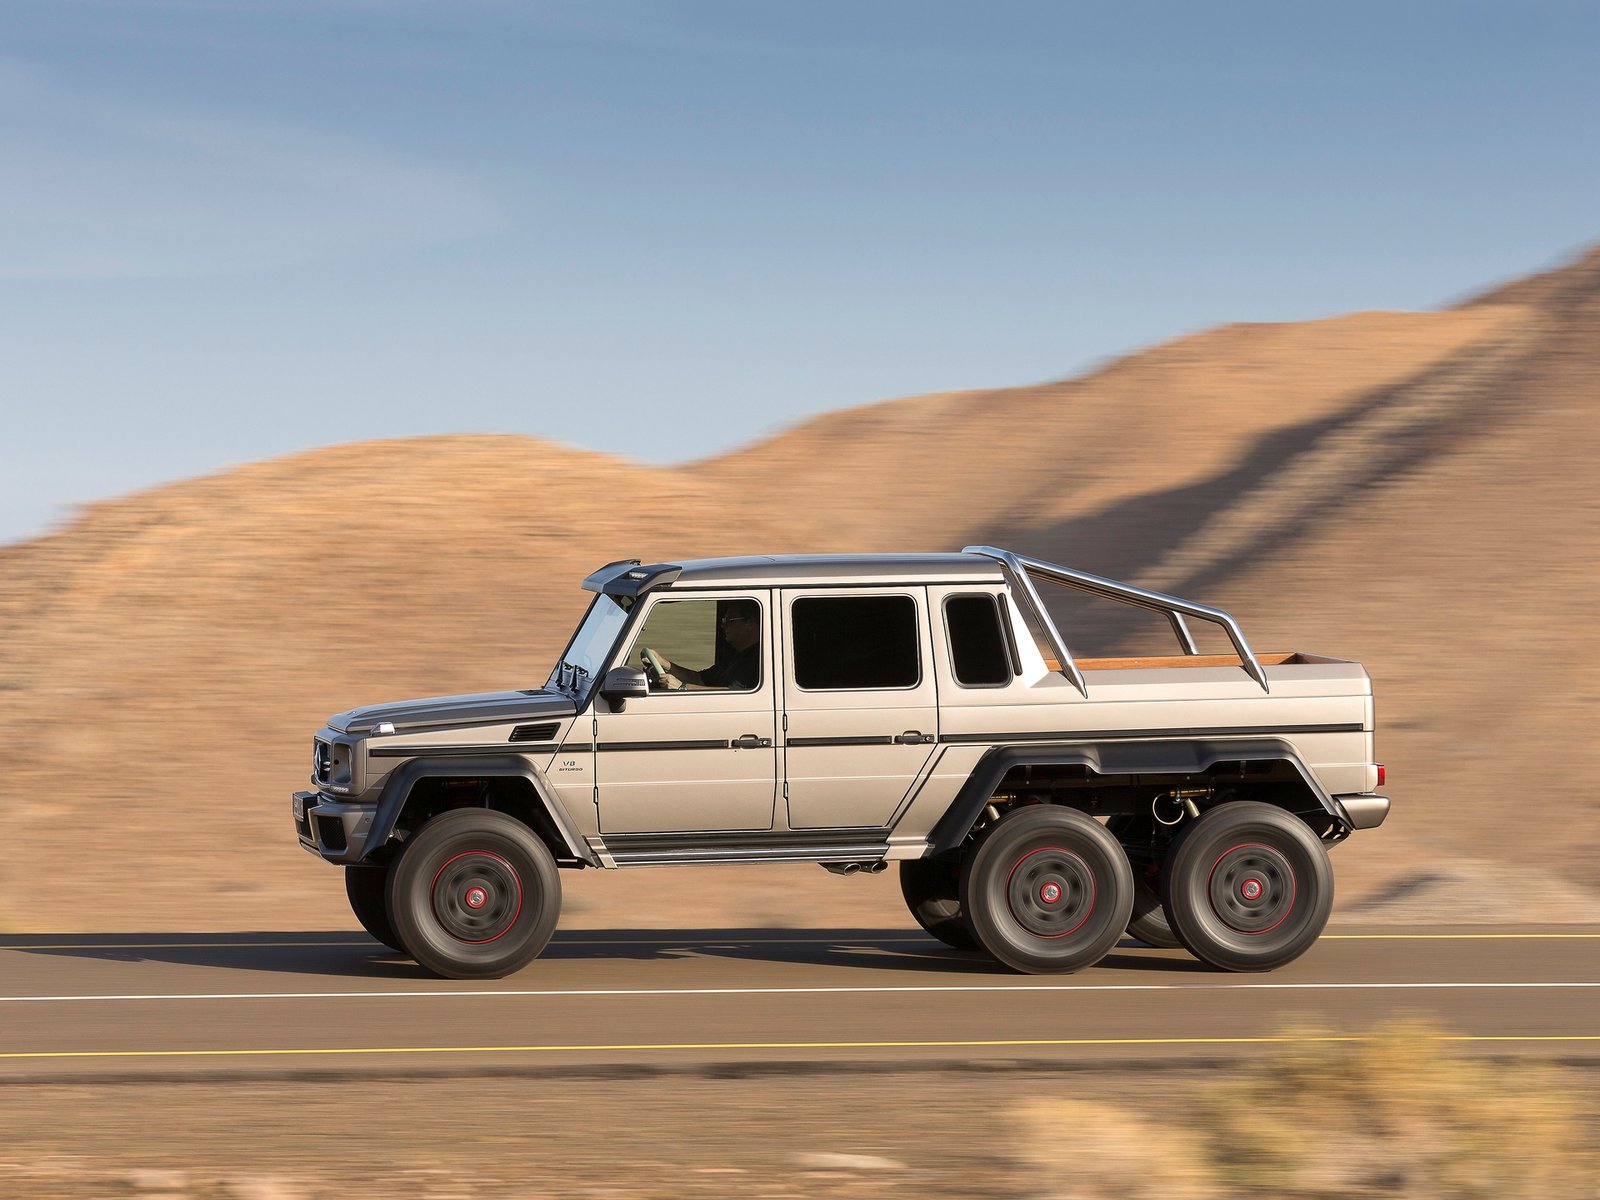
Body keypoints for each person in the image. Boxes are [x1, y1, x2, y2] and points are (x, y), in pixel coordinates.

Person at [650, 601, 761, 691]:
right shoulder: (734, 657)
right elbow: (699, 679)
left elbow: (733, 694)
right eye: (723, 620)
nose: (723, 625)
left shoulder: (758, 660)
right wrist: (663, 663)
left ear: (750, 623)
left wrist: (681, 687)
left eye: (728, 621)